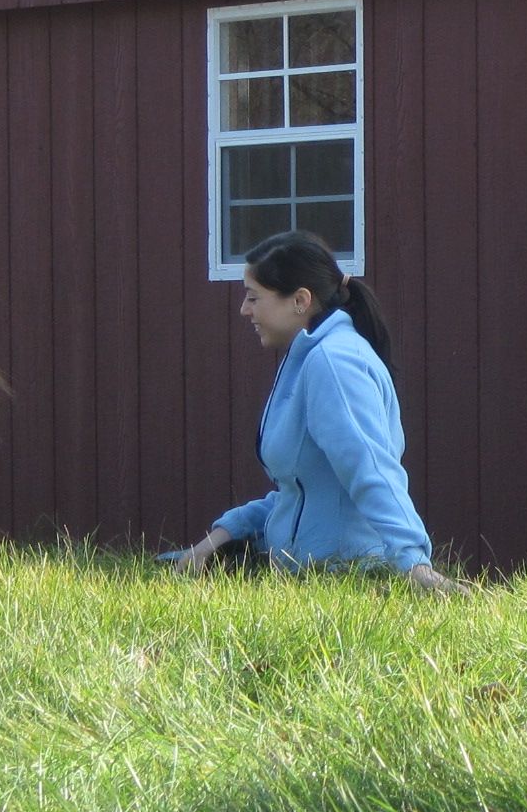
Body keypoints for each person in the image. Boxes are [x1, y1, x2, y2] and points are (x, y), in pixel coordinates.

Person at [173, 231, 465, 592]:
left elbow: (370, 469)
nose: (244, 310)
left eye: (253, 297)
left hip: (343, 582)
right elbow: (304, 487)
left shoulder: (333, 363)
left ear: (300, 300)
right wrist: (222, 535)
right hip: (304, 576)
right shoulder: (312, 356)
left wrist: (414, 563)